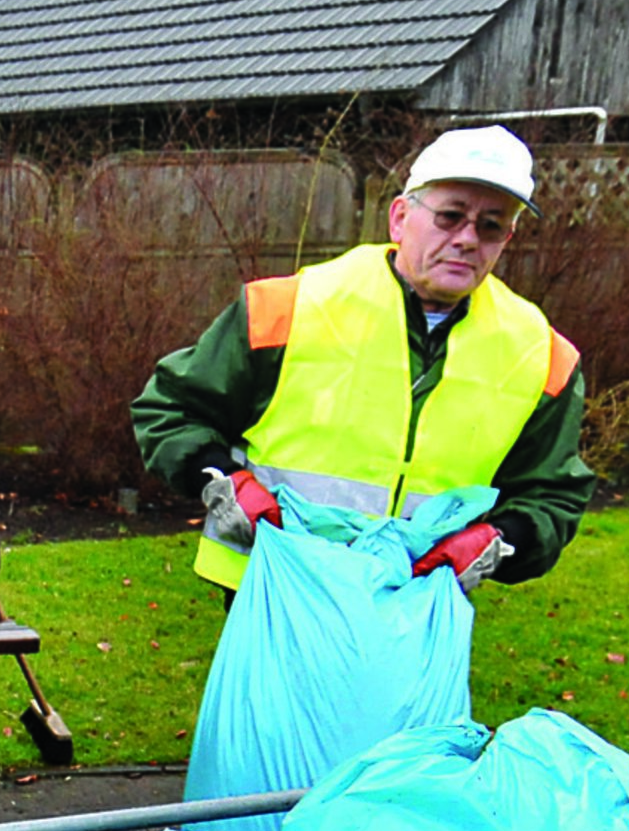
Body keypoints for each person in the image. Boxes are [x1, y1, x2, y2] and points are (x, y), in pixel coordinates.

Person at [133, 124, 594, 597]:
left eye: (490, 225)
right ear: (399, 218)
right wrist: (222, 480)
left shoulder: (541, 355)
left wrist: (501, 540)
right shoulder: (289, 310)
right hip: (274, 590)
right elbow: (170, 410)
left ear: (508, 238)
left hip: (418, 603)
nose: (467, 239)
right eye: (450, 216)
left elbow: (552, 493)